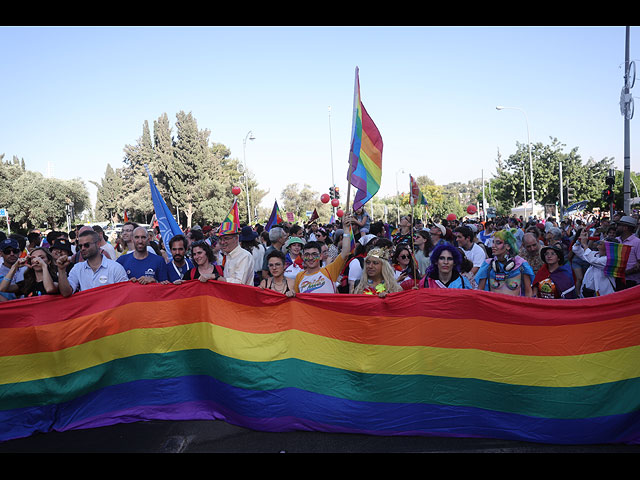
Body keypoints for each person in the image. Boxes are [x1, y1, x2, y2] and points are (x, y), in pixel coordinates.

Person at [57, 229, 129, 296]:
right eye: (80, 246)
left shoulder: (115, 268)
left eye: (86, 245)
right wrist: (61, 270)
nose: (82, 249)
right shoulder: (77, 268)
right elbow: (66, 293)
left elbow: (125, 294)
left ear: (98, 244)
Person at [294, 218, 352, 294]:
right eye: (307, 255)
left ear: (321, 256)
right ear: (303, 257)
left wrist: (346, 229)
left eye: (314, 254)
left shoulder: (330, 271)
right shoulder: (299, 276)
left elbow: (346, 251)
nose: (311, 258)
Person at [475, 229, 534, 297]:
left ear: (508, 246)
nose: (493, 246)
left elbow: (528, 292)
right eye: (493, 242)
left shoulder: (521, 265)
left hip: (514, 306)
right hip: (493, 306)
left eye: (498, 243)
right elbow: (480, 292)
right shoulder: (488, 265)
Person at [571, 230, 618, 297]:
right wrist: (579, 240)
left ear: (608, 248)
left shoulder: (611, 260)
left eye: (600, 244)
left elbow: (592, 260)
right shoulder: (596, 254)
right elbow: (577, 250)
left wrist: (584, 244)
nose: (598, 247)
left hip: (603, 294)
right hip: (588, 291)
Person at [616, 215, 640, 289]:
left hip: (631, 282)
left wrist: (626, 273)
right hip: (617, 279)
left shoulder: (637, 242)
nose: (616, 227)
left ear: (625, 228)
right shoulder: (616, 240)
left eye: (619, 225)